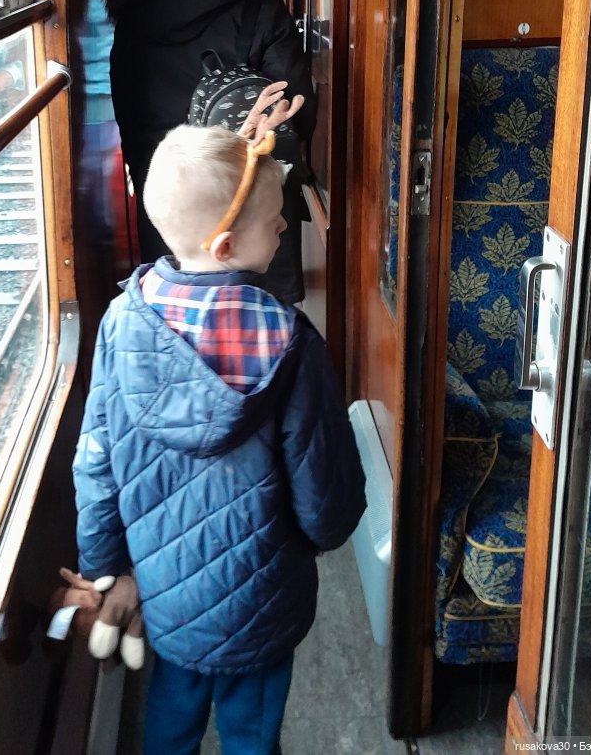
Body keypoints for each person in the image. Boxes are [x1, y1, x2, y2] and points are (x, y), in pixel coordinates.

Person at [72, 124, 366, 755]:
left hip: (165, 588)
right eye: (274, 218)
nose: (284, 224)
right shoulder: (291, 342)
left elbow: (96, 460)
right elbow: (323, 482)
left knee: (169, 720)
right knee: (251, 733)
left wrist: (104, 566)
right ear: (227, 245)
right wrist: (329, 533)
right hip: (263, 594)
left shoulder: (121, 323)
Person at [100, 0, 315, 304]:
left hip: (170, 198)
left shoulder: (132, 14)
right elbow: (295, 106)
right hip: (250, 200)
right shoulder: (261, 7)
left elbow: (127, 113)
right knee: (258, 314)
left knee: (178, 309)